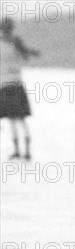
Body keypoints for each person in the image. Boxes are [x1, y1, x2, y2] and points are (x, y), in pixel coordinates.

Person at [0, 18, 40, 160]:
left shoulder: (9, 43)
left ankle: (18, 150)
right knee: (21, 119)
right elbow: (28, 55)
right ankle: (26, 151)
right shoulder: (16, 43)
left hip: (6, 85)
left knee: (12, 119)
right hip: (16, 84)